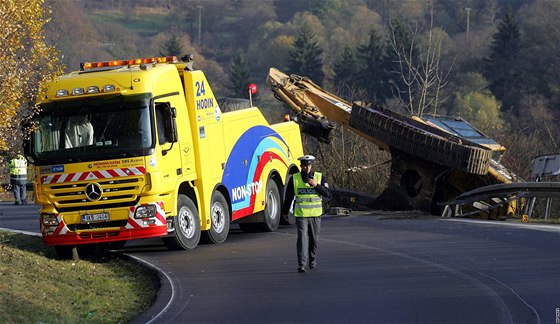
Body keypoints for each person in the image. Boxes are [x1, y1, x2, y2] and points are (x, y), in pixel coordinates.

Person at [282, 155, 331, 273]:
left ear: (311, 165)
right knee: (302, 239)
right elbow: (288, 197)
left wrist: (316, 185)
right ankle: (302, 264)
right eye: (304, 166)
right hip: (301, 215)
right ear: (301, 166)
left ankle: (312, 259)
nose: (307, 168)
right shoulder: (294, 179)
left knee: (314, 240)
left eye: (308, 165)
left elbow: (328, 194)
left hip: (315, 215)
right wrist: (284, 212)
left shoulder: (319, 177)